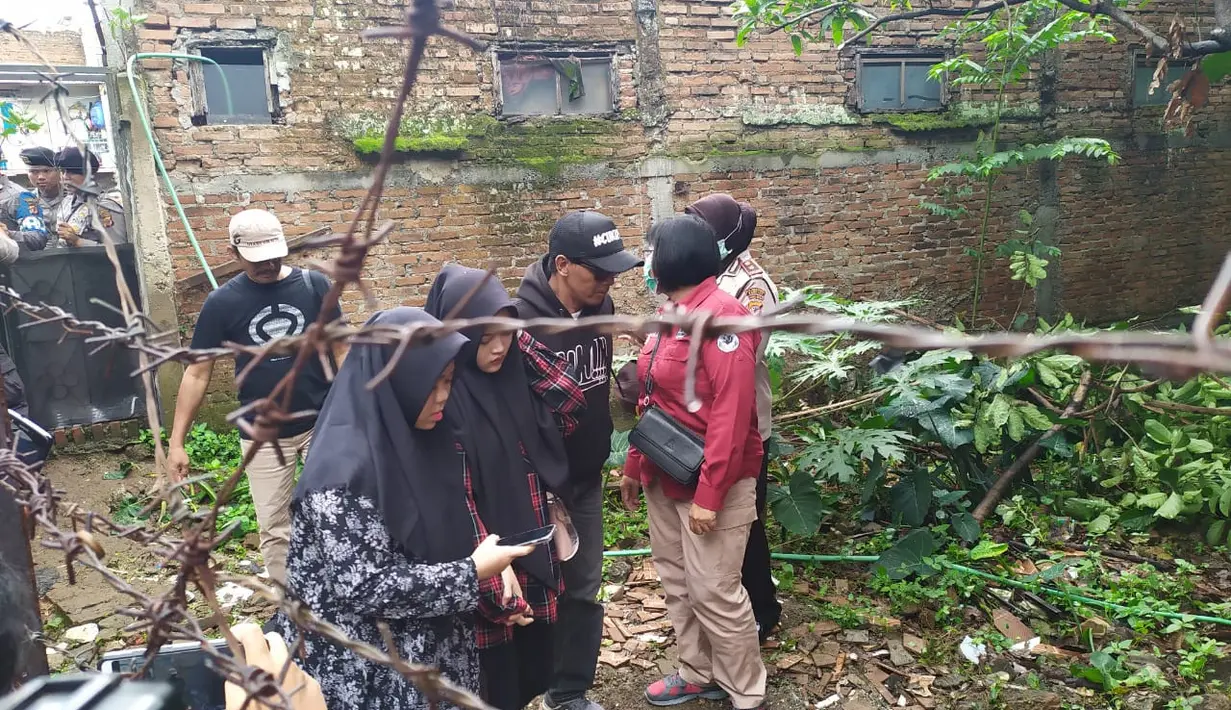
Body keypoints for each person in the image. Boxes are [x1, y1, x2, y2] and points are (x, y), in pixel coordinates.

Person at [284, 307, 534, 710]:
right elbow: (364, 586)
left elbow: (447, 523)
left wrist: (494, 568)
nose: (442, 398)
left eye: (449, 382)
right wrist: (471, 573)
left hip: (435, 655)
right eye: (429, 386)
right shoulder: (340, 474)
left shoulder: (424, 440)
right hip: (370, 671)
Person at [620, 215, 767, 710]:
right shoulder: (671, 313)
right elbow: (652, 397)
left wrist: (710, 495)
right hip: (666, 471)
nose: (645, 262)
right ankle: (696, 671)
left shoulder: (723, 318)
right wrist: (635, 463)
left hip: (713, 482)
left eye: (650, 251)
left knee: (715, 592)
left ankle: (746, 691)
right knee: (678, 582)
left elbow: (731, 412)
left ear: (673, 258)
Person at [425, 265, 586, 710]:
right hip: (483, 556)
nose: (499, 347)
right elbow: (451, 493)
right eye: (485, 336)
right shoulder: (441, 395)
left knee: (531, 665)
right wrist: (492, 571)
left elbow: (571, 398)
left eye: (506, 333)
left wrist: (516, 337)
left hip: (531, 536)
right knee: (491, 674)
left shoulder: (514, 370)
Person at [168, 208, 345, 584]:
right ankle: (290, 603)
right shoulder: (221, 304)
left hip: (323, 423)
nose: (267, 264)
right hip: (262, 434)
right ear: (234, 253)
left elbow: (343, 350)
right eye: (257, 257)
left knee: (337, 510)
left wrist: (358, 410)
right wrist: (176, 441)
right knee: (274, 522)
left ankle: (341, 590)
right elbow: (198, 372)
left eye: (274, 254)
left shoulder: (315, 287)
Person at [513, 210, 642, 710]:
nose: (609, 282)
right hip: (533, 489)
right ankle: (520, 686)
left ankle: (568, 692)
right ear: (562, 264)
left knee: (584, 589)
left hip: (584, 481)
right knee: (529, 595)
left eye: (613, 271)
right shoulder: (521, 321)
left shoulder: (599, 304)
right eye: (599, 271)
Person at [683, 194, 782, 641]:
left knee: (746, 520)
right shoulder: (702, 274)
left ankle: (762, 608)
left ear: (726, 236)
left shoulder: (751, 286)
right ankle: (725, 605)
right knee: (716, 522)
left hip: (743, 424)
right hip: (702, 421)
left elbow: (740, 359)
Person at [52, 147, 128, 247]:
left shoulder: (105, 205)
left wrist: (78, 241)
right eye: (63, 171)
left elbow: (118, 248)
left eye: (72, 172)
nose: (66, 177)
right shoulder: (67, 201)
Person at [0, 147, 64, 252]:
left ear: (59, 171)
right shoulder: (25, 201)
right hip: (40, 260)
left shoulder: (74, 198)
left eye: (46, 171)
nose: (40, 177)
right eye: (34, 172)